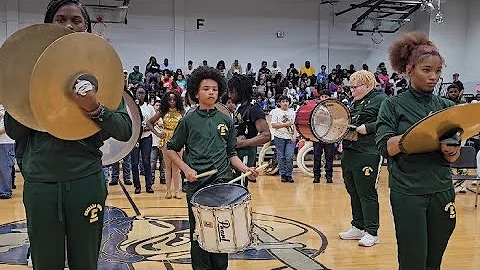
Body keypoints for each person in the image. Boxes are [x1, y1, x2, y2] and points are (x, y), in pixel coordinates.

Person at [4, 0, 132, 269]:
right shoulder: (31, 75)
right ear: (47, 26)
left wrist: (94, 107)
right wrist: (31, 92)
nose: (68, 25)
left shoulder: (102, 71)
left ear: (86, 28)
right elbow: (15, 131)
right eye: (60, 19)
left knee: (85, 262)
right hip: (42, 184)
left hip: (85, 180)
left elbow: (124, 129)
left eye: (76, 20)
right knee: (45, 263)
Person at [376, 31, 459, 269]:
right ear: (409, 68)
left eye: (438, 71)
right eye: (426, 70)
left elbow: (452, 156)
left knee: (434, 260)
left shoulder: (446, 107)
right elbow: (385, 147)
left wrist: (450, 148)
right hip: (409, 192)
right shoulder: (391, 105)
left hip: (442, 188)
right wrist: (419, 137)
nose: (433, 77)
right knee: (413, 260)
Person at [166, 66, 259, 270]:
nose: (211, 93)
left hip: (221, 185)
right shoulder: (188, 119)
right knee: (199, 233)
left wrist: (246, 170)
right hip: (197, 185)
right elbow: (172, 149)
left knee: (221, 233)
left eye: (215, 89)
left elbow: (231, 154)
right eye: (206, 89)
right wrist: (186, 169)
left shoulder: (226, 119)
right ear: (196, 92)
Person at [338, 70, 387, 247]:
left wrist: (369, 127)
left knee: (366, 192)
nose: (351, 90)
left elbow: (390, 122)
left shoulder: (382, 100)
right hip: (350, 150)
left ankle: (372, 231)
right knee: (353, 190)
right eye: (350, 86)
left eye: (355, 87)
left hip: (369, 152)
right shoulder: (355, 102)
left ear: (367, 85)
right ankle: (358, 226)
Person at [228, 74, 270, 186]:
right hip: (236, 154)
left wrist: (242, 143)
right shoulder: (240, 108)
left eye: (232, 92)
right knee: (233, 187)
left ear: (240, 91)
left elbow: (266, 135)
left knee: (240, 188)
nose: (229, 95)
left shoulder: (253, 108)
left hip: (245, 153)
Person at [149, 91, 184, 199]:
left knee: (177, 167)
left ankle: (177, 191)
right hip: (166, 140)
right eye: (170, 99)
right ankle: (168, 190)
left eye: (174, 99)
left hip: (178, 139)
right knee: (167, 166)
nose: (172, 102)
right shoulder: (162, 111)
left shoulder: (181, 111)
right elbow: (149, 122)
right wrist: (158, 134)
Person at [132, 87, 155, 194]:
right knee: (134, 162)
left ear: (145, 95)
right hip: (135, 137)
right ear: (135, 94)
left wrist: (148, 127)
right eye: (138, 93)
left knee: (146, 161)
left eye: (142, 93)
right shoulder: (132, 107)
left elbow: (154, 120)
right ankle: (137, 186)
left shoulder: (149, 107)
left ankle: (149, 185)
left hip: (146, 136)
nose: (140, 95)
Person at [270, 95, 297, 183]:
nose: (285, 103)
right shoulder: (275, 112)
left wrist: (294, 136)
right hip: (279, 137)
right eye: (283, 101)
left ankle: (289, 174)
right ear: (279, 103)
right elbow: (274, 125)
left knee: (289, 156)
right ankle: (283, 174)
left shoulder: (293, 112)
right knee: (281, 157)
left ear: (289, 102)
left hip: (290, 138)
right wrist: (285, 124)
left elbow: (295, 125)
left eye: (286, 101)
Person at [312, 90, 336, 184]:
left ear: (329, 97)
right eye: (322, 96)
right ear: (320, 98)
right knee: (316, 157)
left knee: (329, 157)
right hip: (317, 135)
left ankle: (329, 176)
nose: (324, 98)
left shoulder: (334, 108)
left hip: (330, 136)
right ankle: (316, 176)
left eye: (326, 96)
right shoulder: (316, 108)